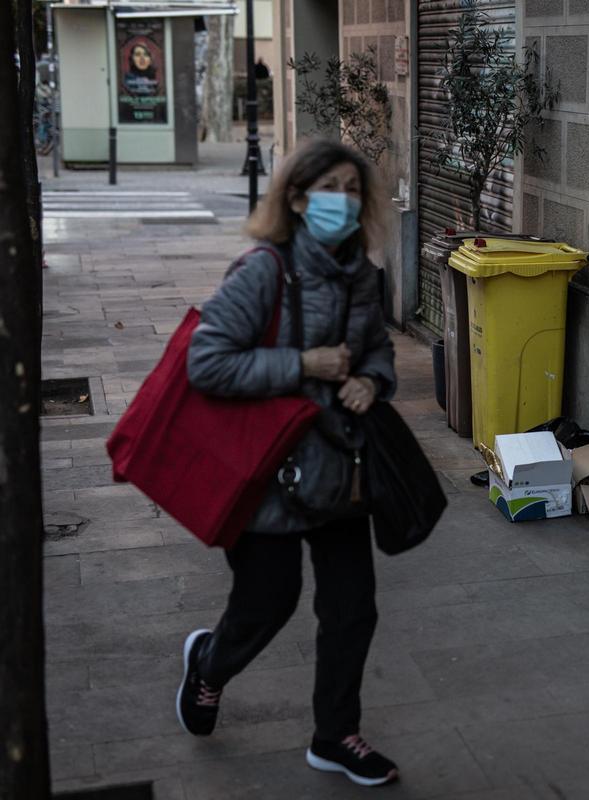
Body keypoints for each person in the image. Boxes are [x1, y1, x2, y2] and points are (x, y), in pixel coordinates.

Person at [178, 139, 399, 787]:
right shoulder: (263, 272)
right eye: (331, 186)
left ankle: (335, 736)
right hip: (267, 476)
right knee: (265, 606)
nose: (345, 200)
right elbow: (206, 363)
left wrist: (373, 382)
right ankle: (209, 665)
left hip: (338, 468)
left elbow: (379, 350)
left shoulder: (362, 275)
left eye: (355, 188)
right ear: (298, 199)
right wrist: (301, 365)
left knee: (352, 607)